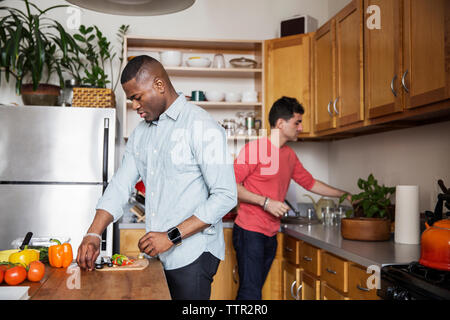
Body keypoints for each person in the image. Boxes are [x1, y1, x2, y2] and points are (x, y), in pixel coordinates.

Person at [76, 55, 237, 300]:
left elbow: (225, 196)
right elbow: (121, 184)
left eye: (137, 97)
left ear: (159, 85)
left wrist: (171, 236)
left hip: (192, 253)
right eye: (131, 99)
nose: (134, 106)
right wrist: (93, 233)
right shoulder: (142, 133)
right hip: (158, 254)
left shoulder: (201, 126)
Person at [232, 96, 352, 300]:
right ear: (281, 123)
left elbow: (310, 183)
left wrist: (345, 195)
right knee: (250, 294)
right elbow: (230, 187)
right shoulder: (255, 150)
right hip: (249, 232)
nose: (301, 127)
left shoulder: (288, 155)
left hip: (271, 233)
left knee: (253, 291)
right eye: (297, 122)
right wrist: (266, 202)